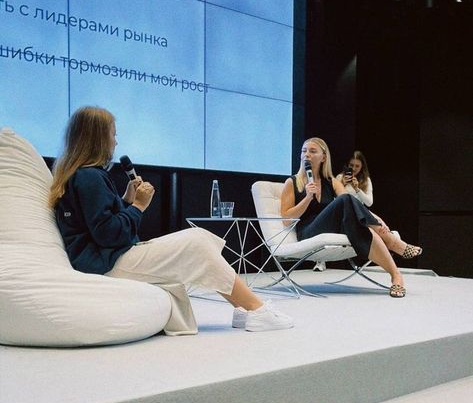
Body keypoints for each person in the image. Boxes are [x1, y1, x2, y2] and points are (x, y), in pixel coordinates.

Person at [49, 106, 293, 334]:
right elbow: (109, 233)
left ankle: (243, 308)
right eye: (113, 134)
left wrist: (125, 201)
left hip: (103, 260)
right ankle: (254, 308)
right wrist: (138, 207)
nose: (115, 141)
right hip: (106, 263)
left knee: (198, 240)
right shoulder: (90, 177)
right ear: (98, 138)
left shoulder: (79, 176)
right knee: (196, 243)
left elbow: (97, 223)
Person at [280, 137, 423, 298]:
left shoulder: (331, 182)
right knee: (345, 199)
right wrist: (307, 198)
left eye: (312, 151)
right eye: (304, 151)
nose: (307, 155)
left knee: (356, 222)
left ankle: (396, 276)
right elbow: (285, 219)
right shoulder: (292, 182)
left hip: (331, 225)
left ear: (324, 157)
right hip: (308, 231)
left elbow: (354, 205)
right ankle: (392, 242)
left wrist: (378, 220)